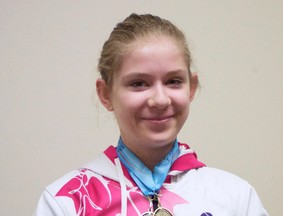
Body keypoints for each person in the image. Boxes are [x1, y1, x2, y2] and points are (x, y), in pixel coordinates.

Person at [34, 13, 269, 216]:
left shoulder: (236, 198)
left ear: (192, 88)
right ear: (105, 94)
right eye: (139, 83)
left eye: (173, 81)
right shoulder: (67, 201)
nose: (160, 100)